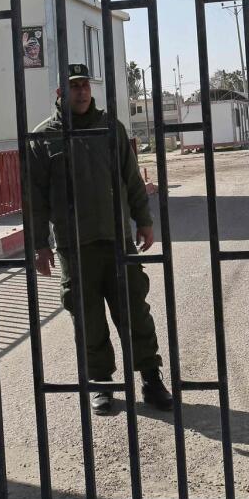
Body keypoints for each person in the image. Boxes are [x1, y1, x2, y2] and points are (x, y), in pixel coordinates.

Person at [28, 63, 173, 415]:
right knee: (88, 318)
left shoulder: (111, 129)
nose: (81, 91)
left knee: (134, 311)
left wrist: (144, 220)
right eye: (73, 86)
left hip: (116, 239)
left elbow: (131, 179)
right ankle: (102, 384)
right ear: (60, 93)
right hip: (74, 247)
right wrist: (39, 244)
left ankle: (151, 380)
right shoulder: (43, 137)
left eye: (84, 85)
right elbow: (35, 197)